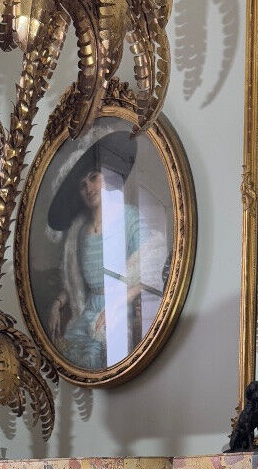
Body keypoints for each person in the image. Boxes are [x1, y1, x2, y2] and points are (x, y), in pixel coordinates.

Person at [44, 128, 167, 372]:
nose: (89, 187)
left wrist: (121, 301)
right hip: (88, 311)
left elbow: (151, 264)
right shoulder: (79, 234)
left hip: (123, 309)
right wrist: (58, 303)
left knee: (97, 357)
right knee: (69, 358)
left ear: (107, 177)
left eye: (94, 177)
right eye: (82, 184)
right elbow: (76, 282)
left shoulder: (129, 217)